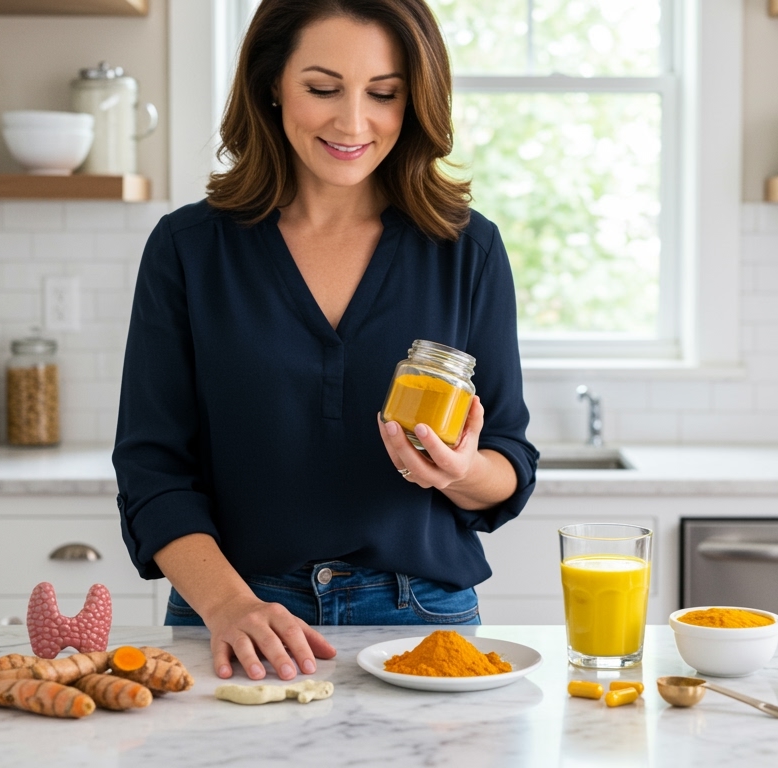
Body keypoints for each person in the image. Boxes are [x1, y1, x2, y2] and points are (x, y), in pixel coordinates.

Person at [112, 0, 538, 684]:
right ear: (271, 86)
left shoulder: (467, 249)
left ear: (415, 103)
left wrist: (460, 472)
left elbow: (508, 461)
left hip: (422, 620)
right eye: (322, 88)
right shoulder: (188, 250)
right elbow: (152, 471)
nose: (353, 121)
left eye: (384, 94)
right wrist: (228, 605)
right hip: (236, 619)